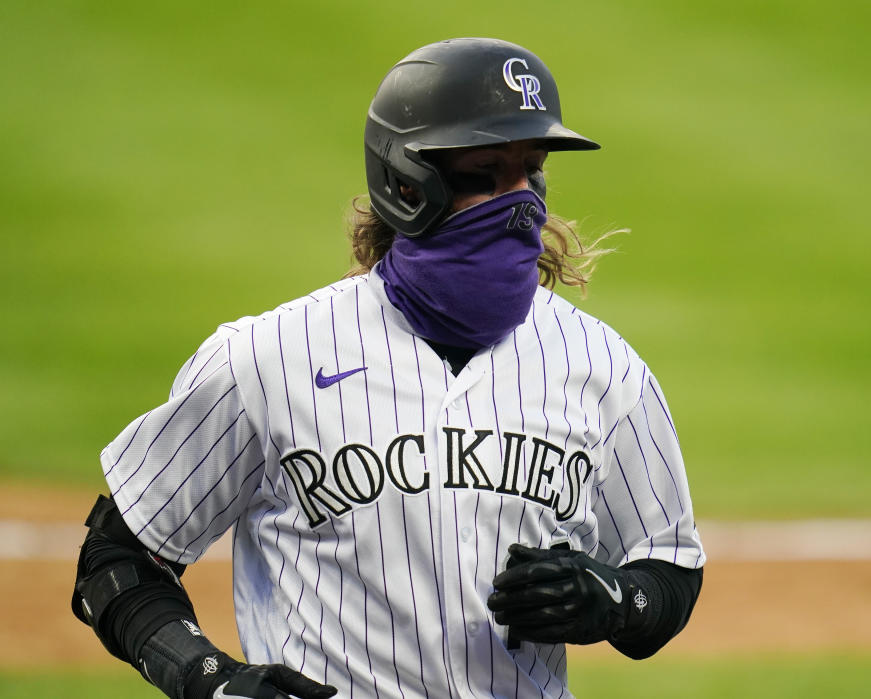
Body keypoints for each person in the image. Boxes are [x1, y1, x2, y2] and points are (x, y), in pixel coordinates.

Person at [71, 37, 705, 699]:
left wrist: (612, 597)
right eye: (484, 172)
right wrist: (208, 677)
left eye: (532, 169)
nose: (520, 202)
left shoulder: (602, 367)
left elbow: (669, 567)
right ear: (406, 183)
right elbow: (118, 561)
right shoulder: (268, 359)